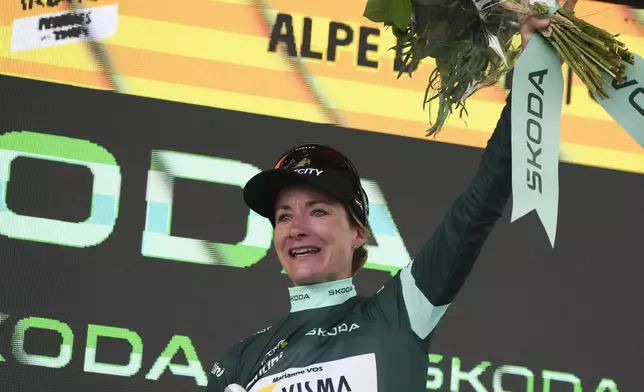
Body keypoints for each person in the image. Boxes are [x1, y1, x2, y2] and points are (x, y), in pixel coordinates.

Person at [206, 4, 576, 391]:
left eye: (318, 211)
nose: (296, 229)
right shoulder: (240, 363)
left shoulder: (399, 312)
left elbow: (480, 203)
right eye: (284, 216)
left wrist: (536, 62)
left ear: (359, 232)